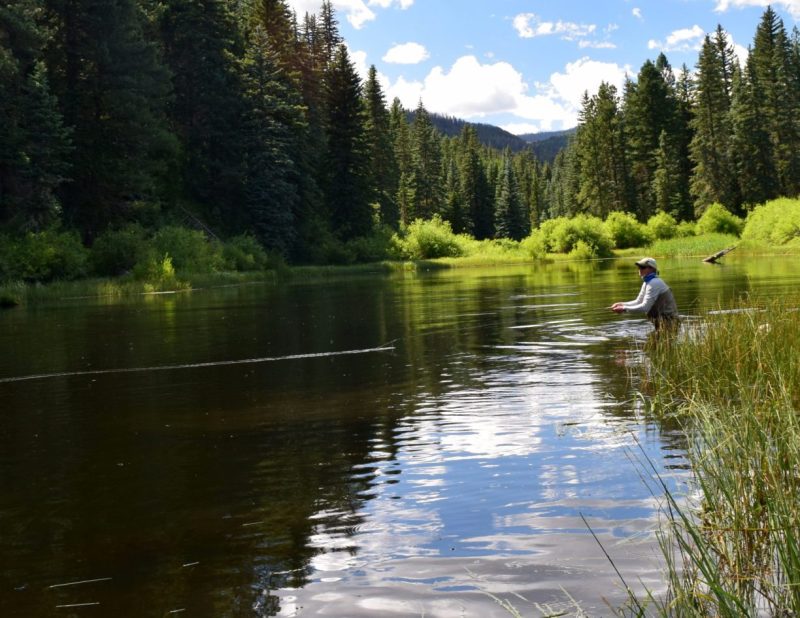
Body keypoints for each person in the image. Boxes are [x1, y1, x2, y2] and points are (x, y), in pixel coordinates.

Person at [611, 257, 678, 331]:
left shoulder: (654, 283)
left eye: (642, 267)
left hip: (670, 324)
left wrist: (624, 309)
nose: (639, 269)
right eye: (639, 267)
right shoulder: (647, 282)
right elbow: (638, 301)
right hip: (662, 324)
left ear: (652, 269)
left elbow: (645, 307)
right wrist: (621, 304)